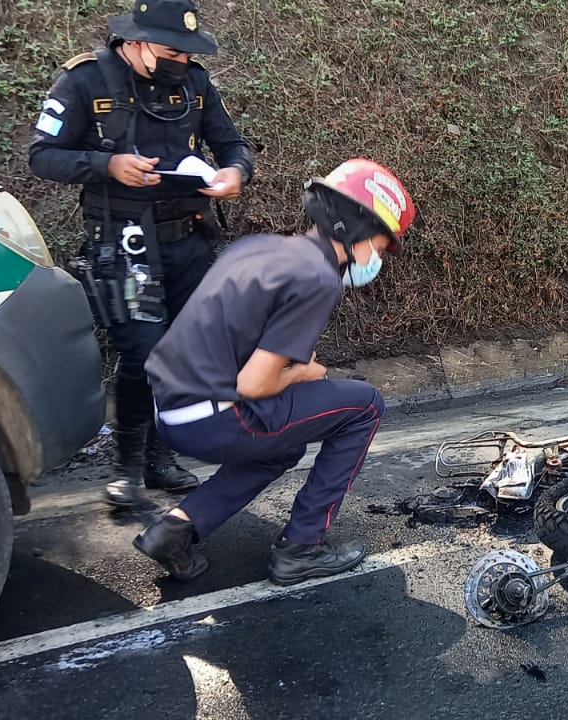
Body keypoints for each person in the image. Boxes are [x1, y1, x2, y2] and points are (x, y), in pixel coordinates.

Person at [131, 158, 417, 585]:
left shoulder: (260, 247)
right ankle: (301, 549)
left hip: (168, 410)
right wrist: (304, 373)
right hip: (212, 418)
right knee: (366, 406)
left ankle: (175, 530)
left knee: (282, 446)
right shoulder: (317, 276)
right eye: (379, 244)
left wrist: (291, 367)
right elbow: (254, 383)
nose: (377, 256)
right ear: (356, 229)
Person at [29, 0, 257, 508]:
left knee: (181, 353)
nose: (183, 60)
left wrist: (235, 174)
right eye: (172, 49)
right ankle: (127, 467)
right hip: (125, 243)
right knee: (142, 354)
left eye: (188, 51)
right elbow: (41, 155)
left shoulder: (195, 83)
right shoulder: (86, 80)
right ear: (135, 41)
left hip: (190, 238)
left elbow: (234, 145)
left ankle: (162, 458)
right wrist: (108, 165)